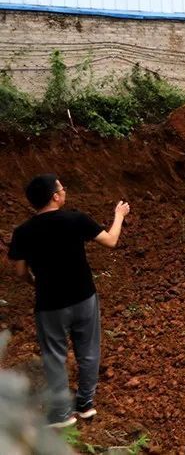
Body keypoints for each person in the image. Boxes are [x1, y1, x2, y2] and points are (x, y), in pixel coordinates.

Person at [7, 174, 130, 428]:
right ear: (55, 196)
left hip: (49, 304)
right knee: (88, 350)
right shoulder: (76, 219)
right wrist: (119, 216)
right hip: (84, 297)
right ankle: (85, 404)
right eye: (62, 188)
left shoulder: (22, 232)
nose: (64, 191)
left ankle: (62, 413)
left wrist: (36, 282)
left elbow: (19, 273)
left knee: (54, 356)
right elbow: (111, 240)